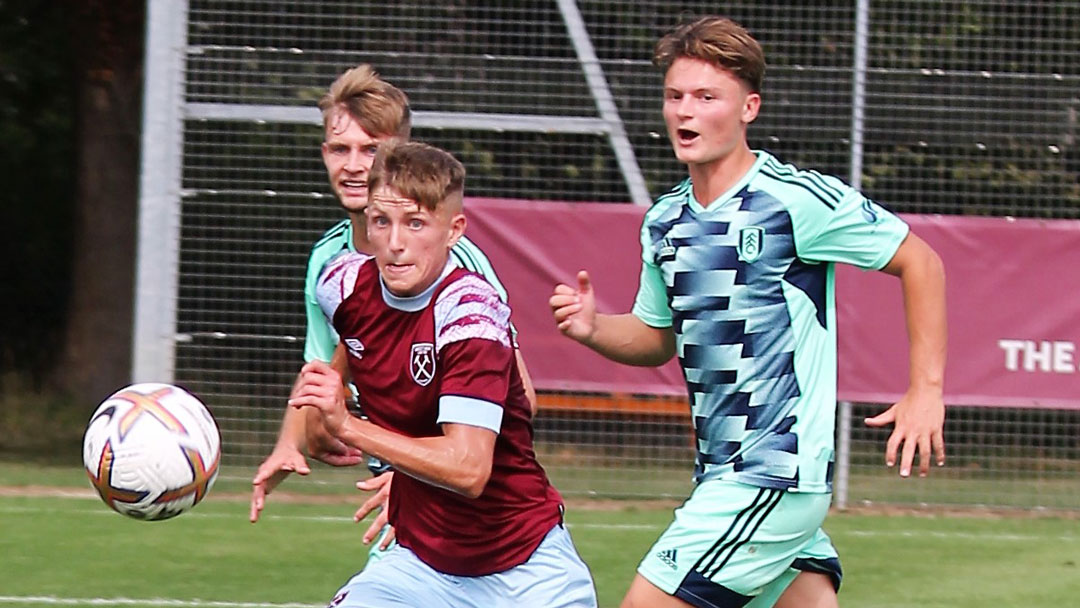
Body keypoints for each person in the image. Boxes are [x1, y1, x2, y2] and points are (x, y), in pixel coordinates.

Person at [550, 16, 946, 608]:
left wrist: (926, 391)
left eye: (707, 97)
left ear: (748, 108)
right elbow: (657, 337)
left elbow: (921, 261)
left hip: (770, 474)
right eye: (675, 96)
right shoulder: (665, 221)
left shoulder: (795, 200)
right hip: (724, 472)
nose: (686, 111)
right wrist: (592, 327)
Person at [291, 139, 597, 607]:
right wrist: (322, 419)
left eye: (415, 223)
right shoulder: (341, 286)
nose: (395, 243)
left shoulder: (470, 313)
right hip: (419, 567)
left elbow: (468, 468)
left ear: (454, 230)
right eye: (382, 222)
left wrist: (350, 426)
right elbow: (334, 397)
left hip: (526, 572)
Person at [249, 65, 537, 558]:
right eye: (341, 149)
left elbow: (522, 397)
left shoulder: (453, 265)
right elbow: (328, 366)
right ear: (324, 155)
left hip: (469, 508)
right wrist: (290, 441)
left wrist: (423, 474)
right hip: (399, 492)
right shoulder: (330, 263)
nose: (355, 165)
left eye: (372, 149)